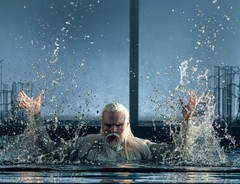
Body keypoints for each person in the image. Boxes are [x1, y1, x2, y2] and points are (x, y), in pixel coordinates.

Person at [18, 90, 197, 163]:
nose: (112, 130)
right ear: (101, 124)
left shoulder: (142, 147)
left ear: (127, 125)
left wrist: (187, 122)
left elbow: (180, 155)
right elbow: (48, 152)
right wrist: (35, 117)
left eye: (118, 126)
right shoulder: (85, 144)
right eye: (108, 125)